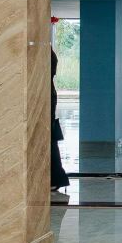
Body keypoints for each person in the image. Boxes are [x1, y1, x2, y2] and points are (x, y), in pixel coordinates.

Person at [49, 47, 69, 195]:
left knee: (49, 139)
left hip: (46, 96)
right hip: (48, 94)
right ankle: (55, 178)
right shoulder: (49, 53)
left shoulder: (46, 54)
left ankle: (56, 178)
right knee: (50, 139)